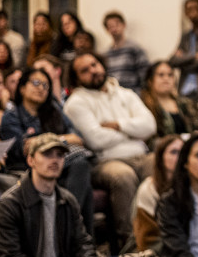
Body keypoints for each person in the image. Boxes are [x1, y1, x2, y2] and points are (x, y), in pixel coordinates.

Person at [63, 52, 156, 246]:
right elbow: (95, 140)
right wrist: (133, 132)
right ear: (77, 78)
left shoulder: (126, 94)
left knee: (161, 164)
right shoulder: (76, 103)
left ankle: (162, 234)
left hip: (141, 155)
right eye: (84, 70)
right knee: (123, 176)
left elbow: (150, 126)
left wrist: (118, 125)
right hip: (104, 161)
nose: (93, 71)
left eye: (94, 64)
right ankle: (130, 243)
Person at [1, 67, 95, 234]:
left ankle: (69, 230)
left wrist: (50, 140)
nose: (41, 88)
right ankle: (76, 235)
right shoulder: (12, 116)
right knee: (81, 168)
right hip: (30, 169)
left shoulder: (54, 111)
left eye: (45, 85)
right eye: (36, 83)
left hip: (63, 165)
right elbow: (25, 149)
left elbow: (78, 139)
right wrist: (62, 140)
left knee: (80, 165)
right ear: (22, 88)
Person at [0, 132, 98, 257]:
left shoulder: (67, 200)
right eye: (47, 154)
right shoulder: (9, 204)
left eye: (60, 155)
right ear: (31, 160)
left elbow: (83, 244)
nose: (54, 160)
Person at [133, 134, 184, 253]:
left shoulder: (193, 185)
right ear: (161, 157)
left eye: (183, 152)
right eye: (174, 152)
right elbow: (147, 239)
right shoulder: (149, 188)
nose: (179, 157)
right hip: (157, 249)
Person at [141, 60, 198, 144]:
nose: (166, 79)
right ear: (150, 81)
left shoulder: (187, 103)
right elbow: (147, 139)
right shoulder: (143, 106)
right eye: (161, 75)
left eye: (170, 75)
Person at [103, 10, 150, 92]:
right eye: (110, 26)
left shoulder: (134, 48)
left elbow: (145, 74)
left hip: (133, 93)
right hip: (114, 94)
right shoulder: (105, 54)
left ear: (124, 25)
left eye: (117, 24)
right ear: (107, 30)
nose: (114, 29)